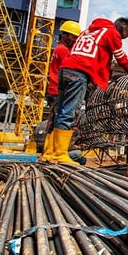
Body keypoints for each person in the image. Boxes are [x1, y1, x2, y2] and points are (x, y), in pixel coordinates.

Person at [45, 16, 128, 164]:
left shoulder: (89, 31)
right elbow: (120, 57)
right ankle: (60, 154)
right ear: (123, 28)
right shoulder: (112, 33)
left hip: (65, 70)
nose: (121, 39)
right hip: (79, 73)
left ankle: (50, 153)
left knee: (61, 111)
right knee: (69, 113)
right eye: (124, 36)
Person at [39, 20, 81, 159]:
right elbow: (73, 69)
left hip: (54, 89)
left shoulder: (59, 49)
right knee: (62, 118)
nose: (75, 41)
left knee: (55, 120)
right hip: (58, 90)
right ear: (65, 35)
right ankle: (57, 153)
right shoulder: (63, 50)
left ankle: (50, 151)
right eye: (74, 37)